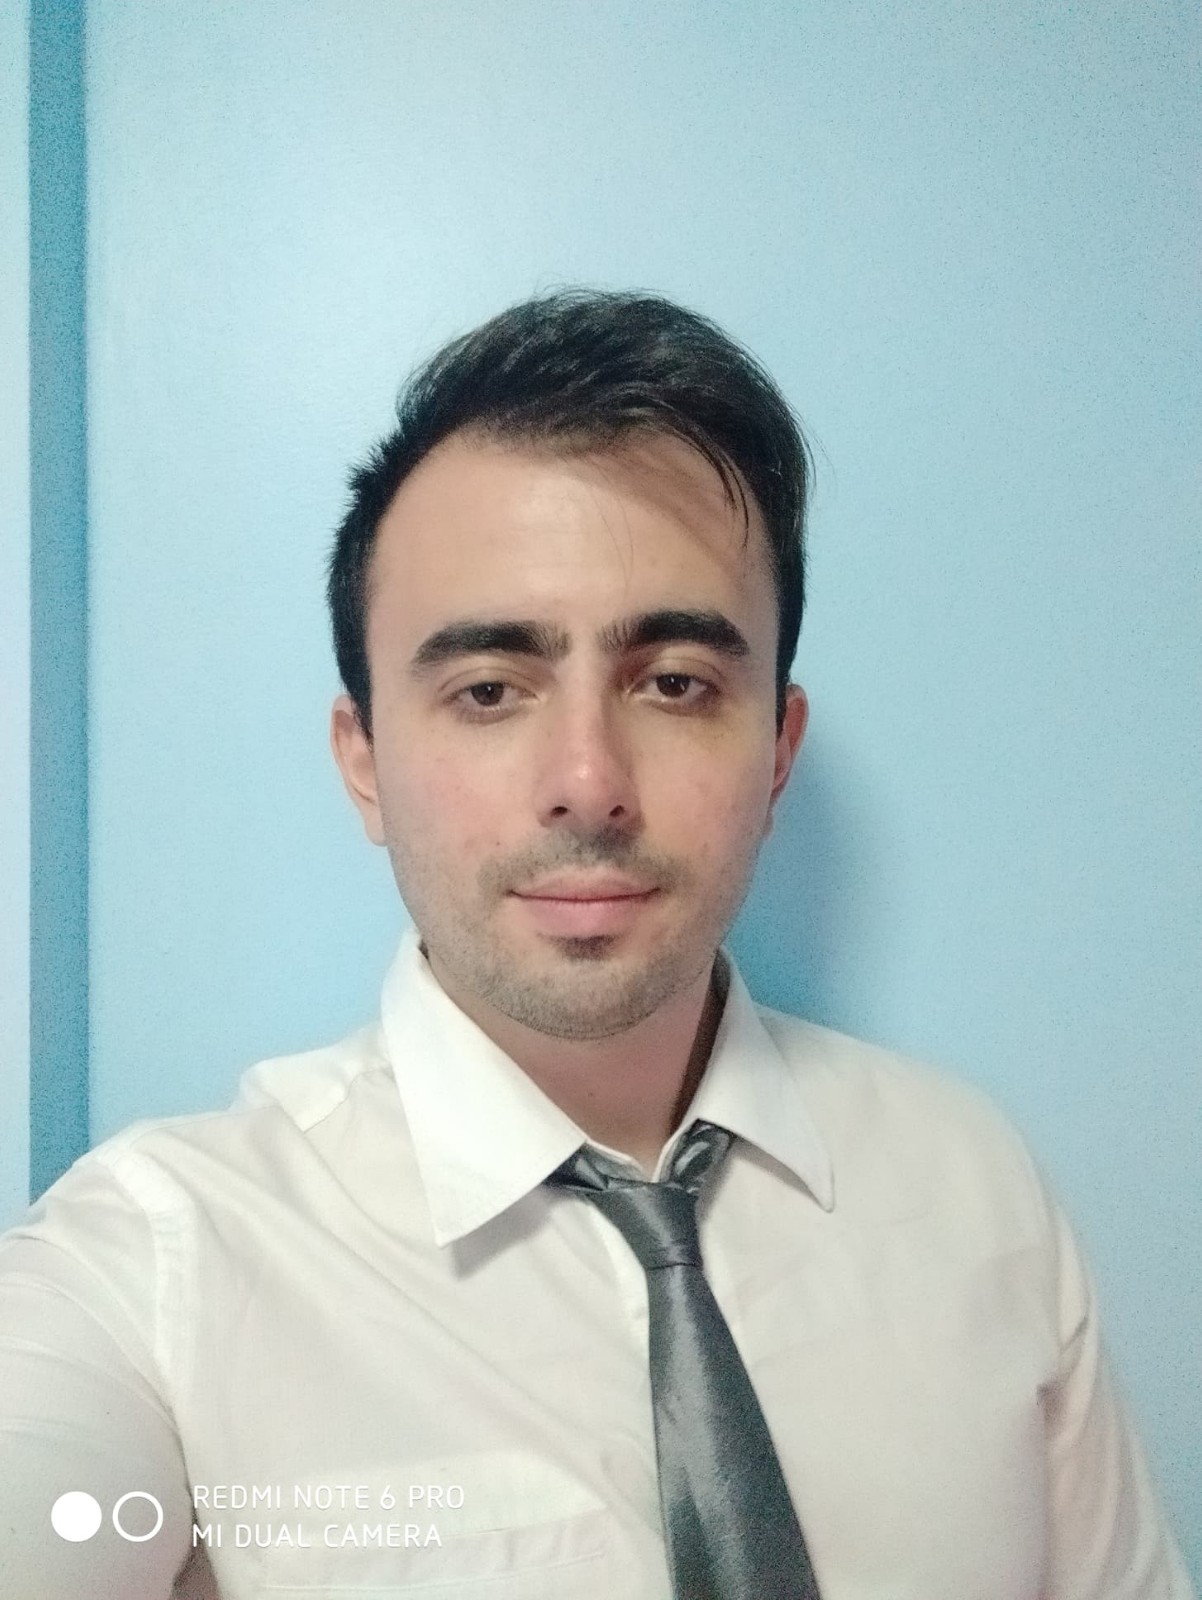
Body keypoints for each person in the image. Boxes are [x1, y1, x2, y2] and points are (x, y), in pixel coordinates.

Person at [0, 290, 1192, 1600]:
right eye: (488, 690)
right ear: (364, 762)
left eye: (675, 683)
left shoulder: (974, 1186)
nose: (587, 783)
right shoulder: (155, 1268)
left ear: (776, 750)